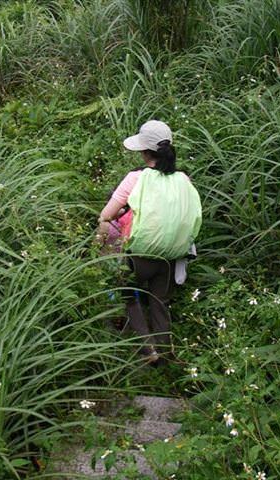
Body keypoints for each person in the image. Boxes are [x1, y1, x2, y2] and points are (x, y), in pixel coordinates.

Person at [98, 120, 202, 363]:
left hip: (139, 254)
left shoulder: (136, 178)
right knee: (160, 302)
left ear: (145, 152)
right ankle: (166, 352)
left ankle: (148, 349)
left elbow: (106, 215)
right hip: (171, 255)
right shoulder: (183, 179)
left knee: (126, 293)